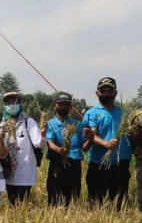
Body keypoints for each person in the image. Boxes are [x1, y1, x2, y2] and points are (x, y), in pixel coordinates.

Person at [83, 77, 132, 210]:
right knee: (96, 203)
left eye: (110, 90)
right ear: (97, 93)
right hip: (99, 164)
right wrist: (106, 144)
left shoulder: (125, 113)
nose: (106, 93)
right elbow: (92, 135)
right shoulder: (92, 113)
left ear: (115, 93)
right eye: (103, 90)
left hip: (120, 164)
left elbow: (133, 134)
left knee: (120, 203)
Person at [0, 92, 47, 205]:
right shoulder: (3, 125)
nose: (12, 105)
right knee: (12, 205)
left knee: (23, 205)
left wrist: (43, 135)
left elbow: (39, 145)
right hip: (9, 173)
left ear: (20, 104)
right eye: (9, 102)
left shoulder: (28, 122)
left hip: (25, 173)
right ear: (5, 105)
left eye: (14, 102)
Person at [45, 92, 91, 207]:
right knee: (54, 199)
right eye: (61, 104)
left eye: (67, 104)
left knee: (73, 199)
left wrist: (91, 139)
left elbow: (84, 148)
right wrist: (59, 150)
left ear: (71, 107)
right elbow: (50, 143)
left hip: (74, 165)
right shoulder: (49, 124)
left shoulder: (77, 125)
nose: (64, 107)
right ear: (55, 105)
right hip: (57, 164)